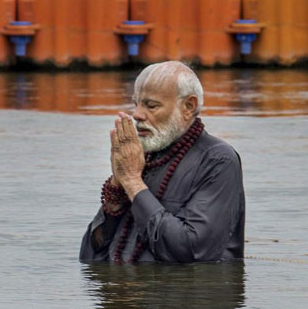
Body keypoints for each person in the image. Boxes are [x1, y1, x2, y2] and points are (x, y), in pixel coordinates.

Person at [79, 61, 245, 263]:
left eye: (151, 105)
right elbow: (89, 258)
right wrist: (117, 186)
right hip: (127, 290)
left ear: (188, 107)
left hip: (186, 293)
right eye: (136, 104)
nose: (137, 115)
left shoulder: (218, 160)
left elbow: (192, 252)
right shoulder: (144, 157)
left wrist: (132, 182)